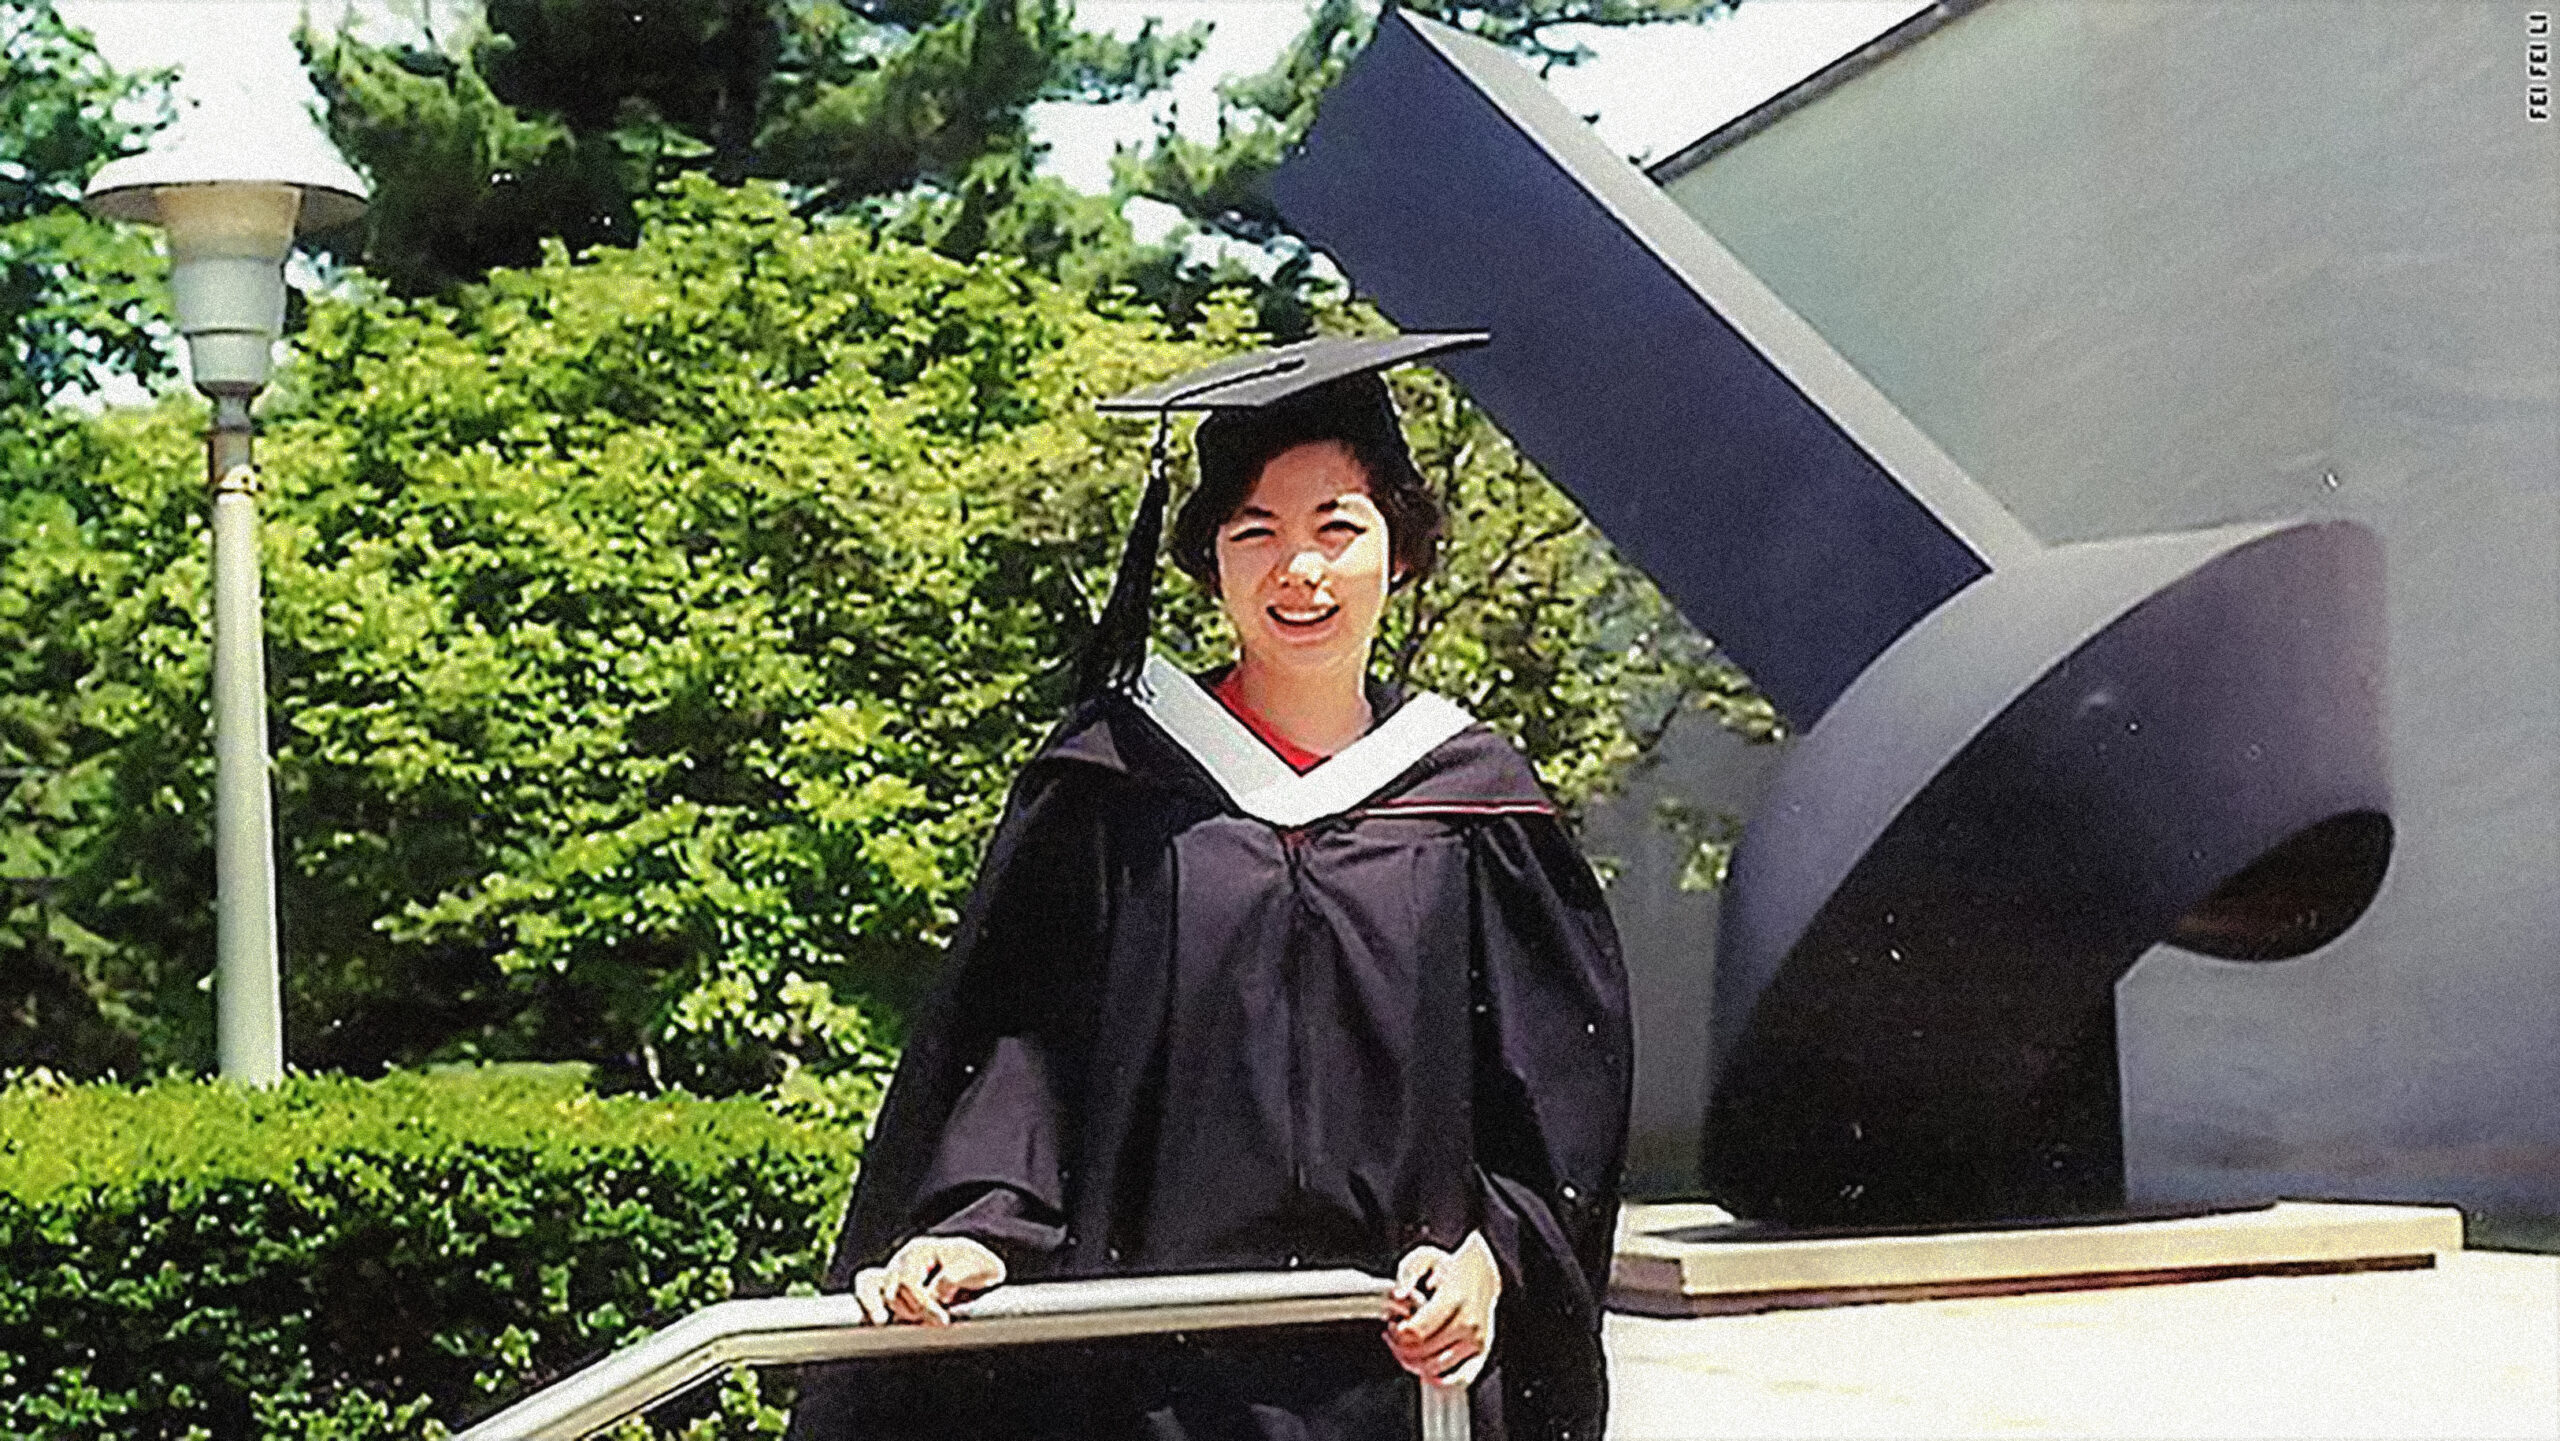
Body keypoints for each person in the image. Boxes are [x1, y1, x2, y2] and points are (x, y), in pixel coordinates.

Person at [788, 333, 1629, 1441]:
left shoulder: (1474, 805)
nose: (1300, 570)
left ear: (1401, 550)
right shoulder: (1120, 784)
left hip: (1394, 1380)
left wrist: (1493, 1259)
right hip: (1141, 1382)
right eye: (1255, 533)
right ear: (1208, 561)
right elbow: (1026, 1049)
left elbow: (1552, 1104)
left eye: (1338, 528)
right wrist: (979, 1223)